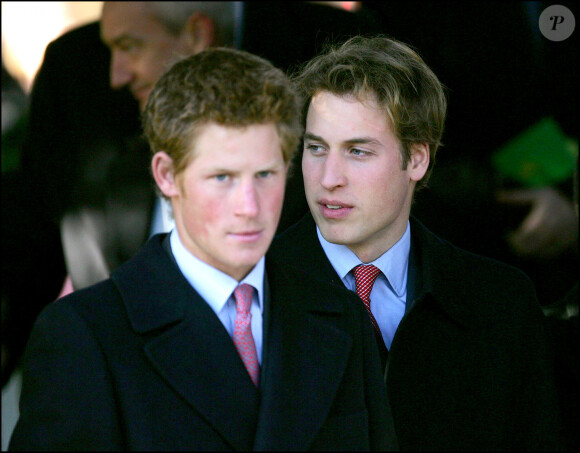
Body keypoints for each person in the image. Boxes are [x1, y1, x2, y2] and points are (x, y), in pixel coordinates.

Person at [8, 47, 396, 451]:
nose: (249, 206)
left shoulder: (342, 316)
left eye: (265, 174)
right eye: (222, 177)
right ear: (167, 176)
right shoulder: (83, 336)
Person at [269, 35, 565, 450]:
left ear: (417, 159)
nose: (328, 177)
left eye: (357, 152)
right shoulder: (245, 296)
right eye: (316, 148)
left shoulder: (501, 302)